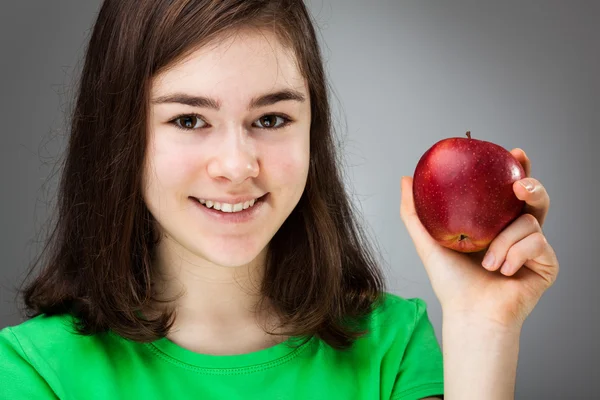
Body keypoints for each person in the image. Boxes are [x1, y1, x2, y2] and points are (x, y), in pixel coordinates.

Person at [0, 1, 559, 399]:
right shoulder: (33, 371)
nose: (238, 165)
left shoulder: (394, 346)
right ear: (121, 135)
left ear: (312, 132)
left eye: (270, 119)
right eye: (189, 119)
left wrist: (481, 325)